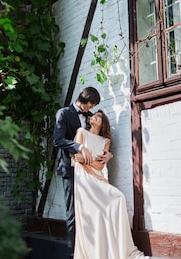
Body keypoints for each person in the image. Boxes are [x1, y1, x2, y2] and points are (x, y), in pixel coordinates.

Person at [73, 110, 149, 259]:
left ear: (103, 123)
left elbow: (100, 166)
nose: (94, 117)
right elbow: (77, 158)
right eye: (94, 115)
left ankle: (116, 249)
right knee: (93, 213)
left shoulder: (105, 141)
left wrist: (92, 166)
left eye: (98, 116)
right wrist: (92, 172)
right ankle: (94, 252)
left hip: (99, 177)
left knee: (118, 198)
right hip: (84, 178)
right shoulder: (81, 132)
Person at [54, 86, 109, 258]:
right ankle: (73, 254)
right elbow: (58, 140)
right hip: (70, 170)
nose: (92, 108)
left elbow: (99, 138)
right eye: (92, 104)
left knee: (90, 210)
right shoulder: (63, 113)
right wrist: (79, 147)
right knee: (72, 213)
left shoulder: (88, 118)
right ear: (86, 100)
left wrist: (109, 154)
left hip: (88, 172)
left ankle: (91, 251)